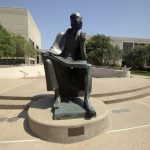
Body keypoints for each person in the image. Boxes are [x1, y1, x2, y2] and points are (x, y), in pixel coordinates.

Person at [42, 13, 96, 117]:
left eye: (82, 20)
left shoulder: (81, 37)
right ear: (72, 21)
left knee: (88, 66)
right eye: (79, 19)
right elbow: (54, 48)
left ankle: (86, 100)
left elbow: (84, 59)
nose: (81, 22)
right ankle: (57, 96)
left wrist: (82, 44)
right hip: (62, 59)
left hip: (75, 62)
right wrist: (47, 53)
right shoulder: (61, 34)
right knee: (48, 61)